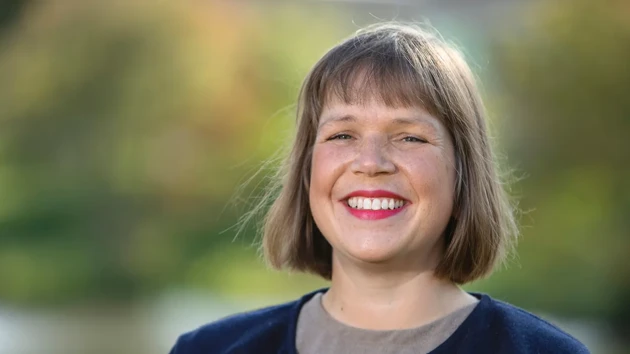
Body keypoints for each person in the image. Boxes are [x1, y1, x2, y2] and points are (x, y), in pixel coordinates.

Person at [169, 23, 590, 354]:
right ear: (307, 171)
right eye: (342, 136)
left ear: (464, 176)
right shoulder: (209, 350)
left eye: (409, 137)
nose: (370, 163)